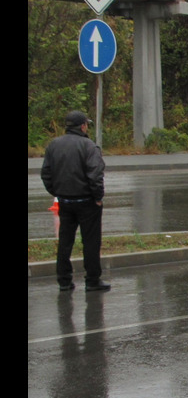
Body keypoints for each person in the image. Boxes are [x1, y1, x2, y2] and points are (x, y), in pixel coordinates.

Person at [41, 110, 110, 292]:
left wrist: (57, 192)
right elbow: (95, 175)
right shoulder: (89, 146)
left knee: (65, 241)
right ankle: (92, 280)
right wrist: (98, 198)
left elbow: (46, 174)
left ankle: (64, 280)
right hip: (87, 201)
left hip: (65, 201)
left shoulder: (53, 145)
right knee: (91, 242)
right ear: (83, 126)